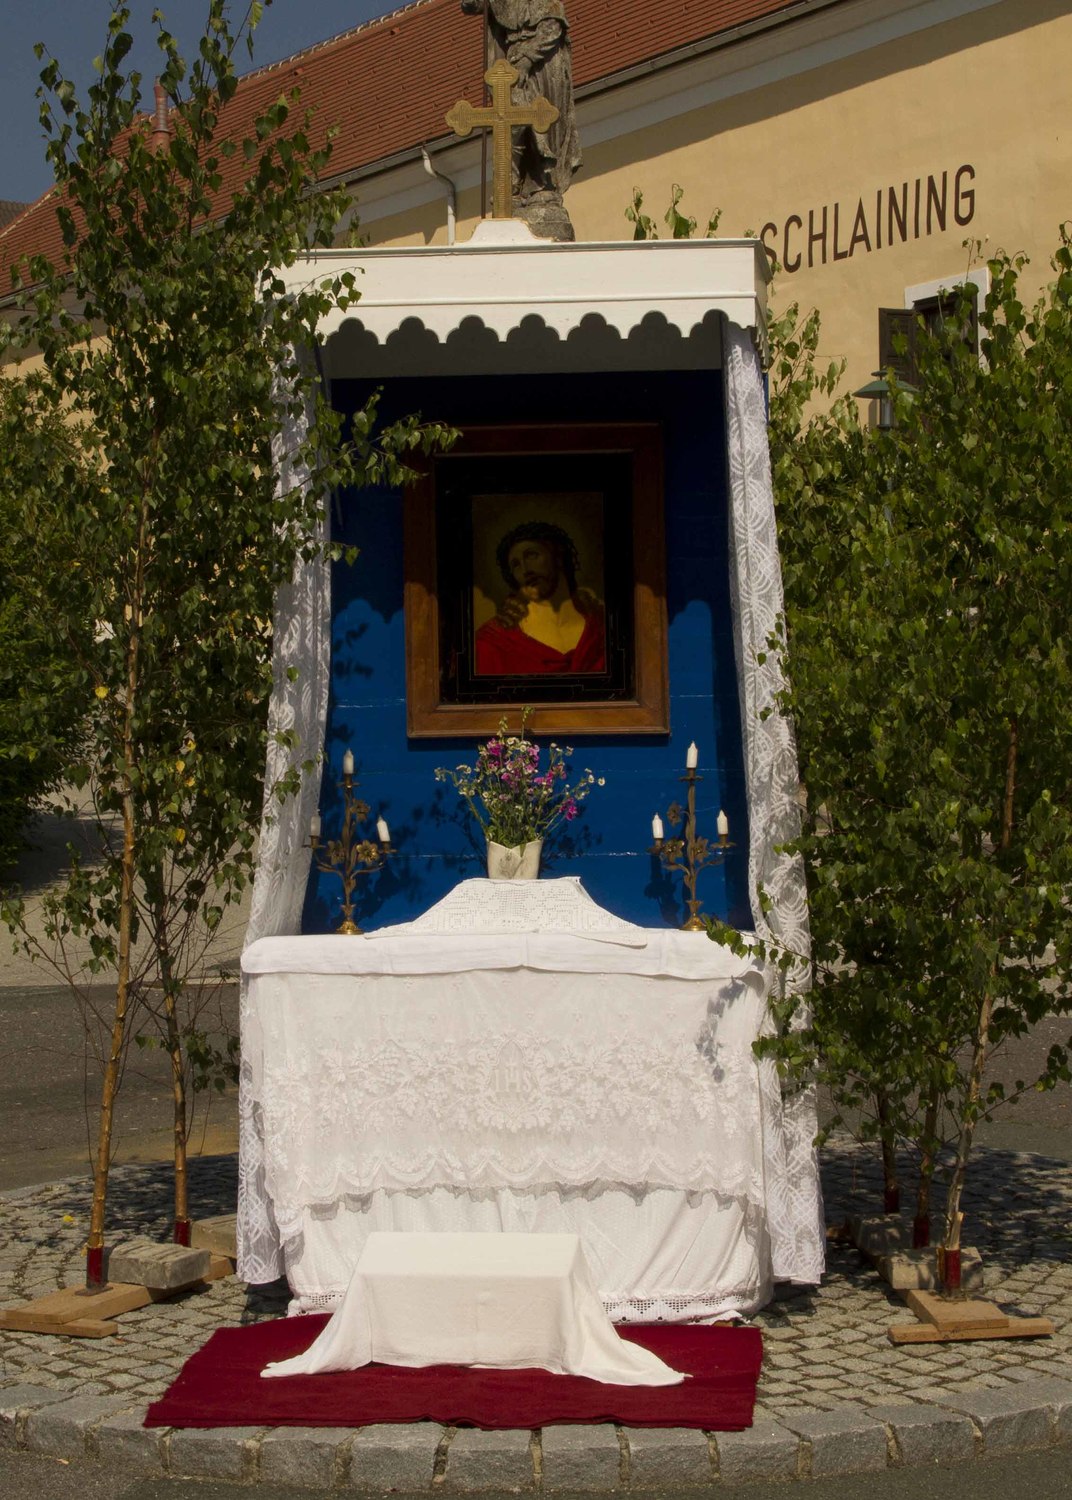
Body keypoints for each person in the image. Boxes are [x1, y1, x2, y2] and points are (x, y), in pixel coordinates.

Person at [460, 0, 582, 203]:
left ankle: (544, 182)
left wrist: (527, 59)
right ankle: (511, 185)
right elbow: (474, 6)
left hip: (544, 63)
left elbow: (553, 24)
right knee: (512, 120)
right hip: (512, 60)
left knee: (543, 120)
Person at [474, 520, 605, 675]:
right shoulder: (493, 642)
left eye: (531, 555)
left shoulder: (602, 626)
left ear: (558, 556)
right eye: (516, 565)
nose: (525, 570)